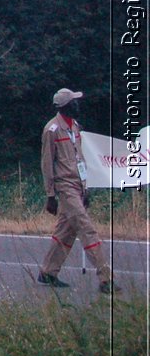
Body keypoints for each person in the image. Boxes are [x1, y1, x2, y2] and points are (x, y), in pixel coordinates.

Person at [37, 89, 114, 292]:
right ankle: (105, 278)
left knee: (66, 231)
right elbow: (47, 163)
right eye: (74, 102)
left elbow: (80, 158)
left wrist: (85, 187)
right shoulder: (52, 130)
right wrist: (50, 194)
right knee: (87, 229)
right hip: (65, 186)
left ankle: (48, 272)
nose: (77, 105)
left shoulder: (76, 127)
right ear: (64, 106)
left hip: (78, 186)